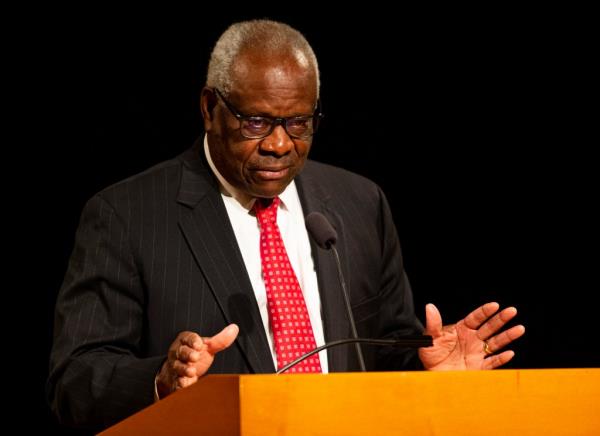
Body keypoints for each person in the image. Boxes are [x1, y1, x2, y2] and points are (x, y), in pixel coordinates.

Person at [47, 19, 525, 431]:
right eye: (256, 122)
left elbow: (378, 353)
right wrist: (161, 379)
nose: (280, 144)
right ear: (210, 108)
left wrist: (426, 371)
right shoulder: (128, 214)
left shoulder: (359, 203)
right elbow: (75, 380)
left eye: (299, 123)